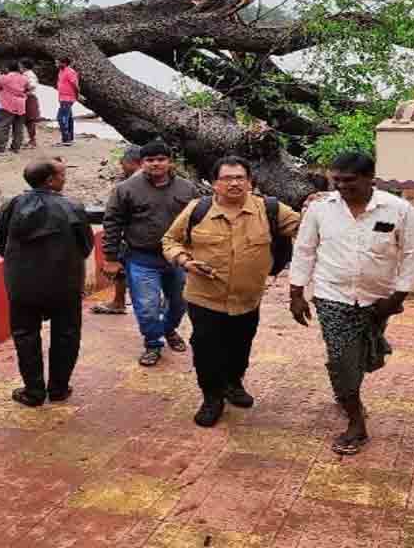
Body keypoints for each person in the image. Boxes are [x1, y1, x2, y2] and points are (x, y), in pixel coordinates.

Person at [288, 151, 414, 455]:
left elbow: (413, 255)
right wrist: (296, 294)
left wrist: (396, 298)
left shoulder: (398, 210)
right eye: (336, 180)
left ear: (370, 178)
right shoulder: (321, 209)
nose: (341, 186)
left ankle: (348, 389)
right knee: (341, 358)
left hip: (378, 301)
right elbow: (305, 250)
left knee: (362, 357)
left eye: (349, 180)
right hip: (331, 296)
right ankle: (355, 422)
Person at [162, 156, 300, 427]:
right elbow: (170, 240)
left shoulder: (270, 209)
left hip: (248, 299)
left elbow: (306, 227)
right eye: (227, 178)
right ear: (215, 183)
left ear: (250, 182)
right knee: (206, 350)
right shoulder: (197, 210)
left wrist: (320, 206)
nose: (234, 183)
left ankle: (233, 384)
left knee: (240, 347)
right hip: (204, 299)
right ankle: (211, 398)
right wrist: (185, 261)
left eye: (240, 178)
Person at [0, 158, 94, 406]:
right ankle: (59, 389)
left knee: (25, 335)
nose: (65, 178)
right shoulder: (72, 206)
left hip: (22, 283)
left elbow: (1, 242)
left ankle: (34, 391)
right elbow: (86, 246)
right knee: (67, 334)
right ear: (50, 180)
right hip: (65, 283)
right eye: (62, 175)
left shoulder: (11, 205)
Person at [101, 140, 199, 367]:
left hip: (177, 258)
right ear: (142, 163)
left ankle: (169, 329)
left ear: (170, 162)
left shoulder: (187, 189)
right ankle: (153, 343)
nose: (156, 164)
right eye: (150, 160)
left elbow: (198, 223)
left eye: (161, 159)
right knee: (147, 307)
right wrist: (111, 258)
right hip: (141, 257)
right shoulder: (126, 189)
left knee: (180, 303)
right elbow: (112, 223)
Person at [93, 146, 143, 315]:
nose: (122, 167)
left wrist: (111, 254)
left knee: (123, 266)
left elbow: (114, 218)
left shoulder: (127, 186)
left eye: (123, 163)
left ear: (132, 162)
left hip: (133, 237)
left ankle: (119, 301)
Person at [0, 61, 40, 153]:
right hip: (21, 105)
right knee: (18, 127)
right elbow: (29, 88)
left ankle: (0, 147)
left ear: (8, 68)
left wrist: (3, 88)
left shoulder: (3, 78)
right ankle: (16, 147)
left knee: (3, 126)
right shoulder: (24, 78)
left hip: (7, 104)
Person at [55, 58, 80, 147]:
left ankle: (66, 139)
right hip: (63, 98)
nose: (56, 64)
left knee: (61, 118)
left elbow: (75, 85)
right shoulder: (61, 71)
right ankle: (70, 139)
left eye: (58, 62)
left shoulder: (70, 72)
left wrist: (77, 96)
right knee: (68, 118)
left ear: (64, 63)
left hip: (68, 98)